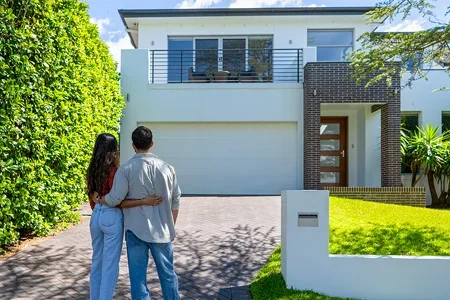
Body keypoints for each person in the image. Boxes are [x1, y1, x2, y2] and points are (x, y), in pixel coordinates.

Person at [96, 126, 181, 300]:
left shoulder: (126, 170)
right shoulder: (168, 168)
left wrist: (100, 198)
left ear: (133, 145)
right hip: (162, 233)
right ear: (152, 143)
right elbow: (175, 200)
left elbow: (114, 200)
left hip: (136, 231)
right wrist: (170, 225)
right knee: (168, 275)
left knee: (138, 280)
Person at [86, 133, 163, 300]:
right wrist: (144, 200)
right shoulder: (115, 171)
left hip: (96, 216)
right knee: (110, 266)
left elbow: (92, 197)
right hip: (111, 217)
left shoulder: (92, 169)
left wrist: (98, 200)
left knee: (97, 262)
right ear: (114, 149)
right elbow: (117, 200)